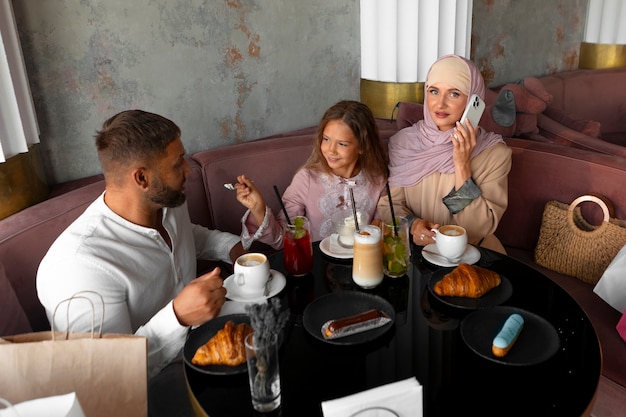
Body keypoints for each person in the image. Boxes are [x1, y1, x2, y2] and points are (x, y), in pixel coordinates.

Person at [36, 110, 246, 414]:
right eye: (177, 164)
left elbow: (186, 236)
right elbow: (104, 380)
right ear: (142, 178)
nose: (188, 171)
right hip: (144, 398)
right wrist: (176, 317)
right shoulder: (77, 267)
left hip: (205, 353)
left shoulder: (165, 200)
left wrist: (231, 247)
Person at [378, 54, 512, 254]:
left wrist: (462, 165)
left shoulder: (495, 154)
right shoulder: (403, 143)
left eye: (454, 94)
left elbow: (479, 228)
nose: (439, 104)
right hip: (416, 257)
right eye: (434, 91)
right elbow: (390, 205)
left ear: (474, 100)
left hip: (473, 259)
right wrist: (413, 225)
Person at [234, 100, 389, 249]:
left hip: (363, 266)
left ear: (362, 146)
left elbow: (383, 231)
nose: (331, 150)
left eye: (342, 144)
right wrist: (258, 208)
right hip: (317, 267)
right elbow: (282, 239)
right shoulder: (306, 179)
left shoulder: (378, 181)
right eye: (326, 139)